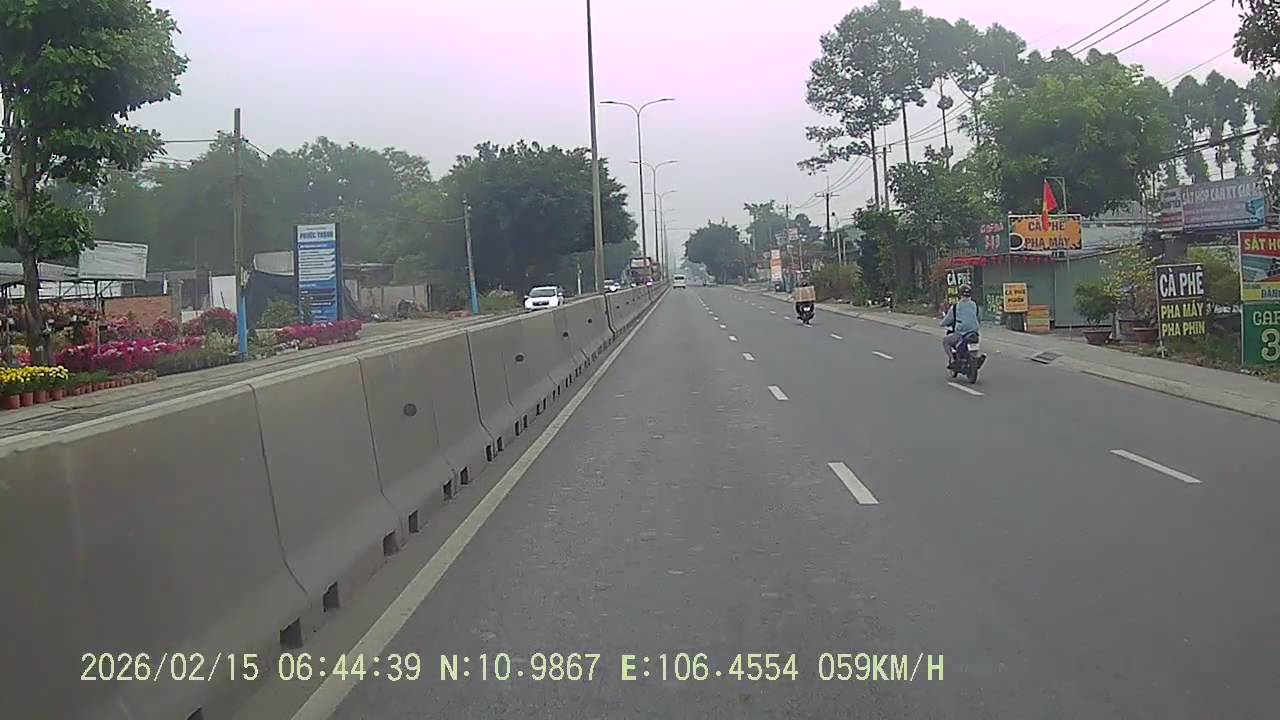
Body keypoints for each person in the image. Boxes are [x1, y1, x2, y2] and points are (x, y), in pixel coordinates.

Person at [940, 285, 981, 369]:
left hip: (961, 333)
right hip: (974, 333)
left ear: (960, 294)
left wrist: (942, 324)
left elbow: (948, 319)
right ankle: (975, 358)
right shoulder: (975, 305)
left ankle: (952, 360)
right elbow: (978, 319)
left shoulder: (956, 306)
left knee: (945, 341)